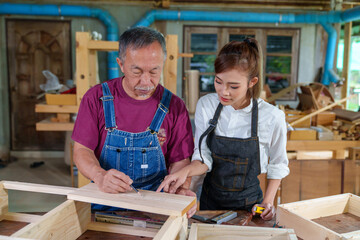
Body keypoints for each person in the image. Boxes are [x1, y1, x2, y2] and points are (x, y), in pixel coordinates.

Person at [157, 39, 290, 220]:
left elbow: (278, 163)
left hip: (250, 206)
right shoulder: (207, 105)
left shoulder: (272, 116)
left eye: (233, 86)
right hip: (210, 203)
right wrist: (184, 171)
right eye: (218, 81)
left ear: (252, 82)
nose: (223, 92)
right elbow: (203, 157)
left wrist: (268, 202)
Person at [72, 27, 196, 216]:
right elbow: (82, 151)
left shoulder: (175, 107)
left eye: (154, 71)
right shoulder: (95, 98)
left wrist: (179, 188)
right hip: (104, 202)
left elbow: (180, 161)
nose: (146, 82)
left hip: (157, 205)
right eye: (137, 71)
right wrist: (100, 175)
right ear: (120, 64)